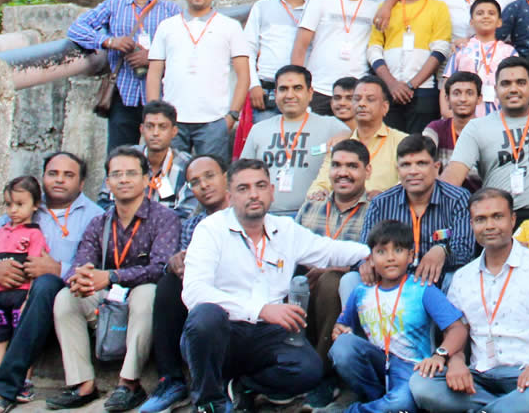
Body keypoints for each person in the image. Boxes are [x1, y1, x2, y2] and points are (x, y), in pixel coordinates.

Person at [180, 159, 371, 413]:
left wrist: (371, 256)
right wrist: (260, 309)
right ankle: (209, 403)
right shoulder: (211, 230)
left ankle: (243, 386)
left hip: (266, 335)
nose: (254, 194)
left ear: (271, 191)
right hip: (222, 333)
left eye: (260, 186)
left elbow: (330, 251)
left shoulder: (285, 229)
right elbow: (194, 292)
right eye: (243, 188)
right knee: (205, 315)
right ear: (230, 196)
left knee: (308, 370)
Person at [0, 152, 103, 413]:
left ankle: (6, 386)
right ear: (43, 178)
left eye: (68, 175)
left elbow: (100, 269)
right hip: (4, 298)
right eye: (53, 173)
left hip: (50, 306)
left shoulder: (95, 216)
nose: (59, 180)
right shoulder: (20, 209)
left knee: (47, 283)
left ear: (81, 184)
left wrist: (59, 269)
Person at [407, 188, 529, 413]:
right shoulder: (463, 277)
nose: (489, 226)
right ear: (472, 225)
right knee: (421, 383)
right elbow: (456, 335)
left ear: (512, 220)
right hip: (477, 379)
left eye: (497, 217)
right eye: (480, 219)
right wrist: (454, 363)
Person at [48, 146, 180, 412]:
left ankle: (129, 384)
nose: (123, 180)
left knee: (146, 294)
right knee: (66, 297)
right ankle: (82, 383)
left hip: (140, 295)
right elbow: (80, 262)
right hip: (109, 295)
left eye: (131, 173)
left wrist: (109, 276)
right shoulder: (99, 222)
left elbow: (160, 267)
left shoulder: (164, 218)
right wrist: (80, 277)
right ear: (107, 182)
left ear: (146, 180)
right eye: (116, 174)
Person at [329, 220, 467, 413]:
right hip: (377, 362)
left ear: (411, 255)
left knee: (402, 403)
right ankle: (380, 402)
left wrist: (440, 355)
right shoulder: (361, 292)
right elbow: (342, 327)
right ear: (371, 258)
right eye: (381, 252)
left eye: (398, 250)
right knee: (342, 346)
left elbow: (457, 329)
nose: (390, 258)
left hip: (412, 368)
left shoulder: (422, 289)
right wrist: (339, 331)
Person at [142, 155, 232, 413]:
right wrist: (177, 262)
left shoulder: (244, 212)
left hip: (238, 292)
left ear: (225, 176)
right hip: (201, 293)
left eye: (210, 176)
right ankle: (171, 380)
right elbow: (184, 260)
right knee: (169, 282)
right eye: (195, 181)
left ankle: (227, 384)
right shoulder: (193, 222)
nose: (204, 185)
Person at [443, 57, 529, 223]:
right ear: (496, 90)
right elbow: (453, 175)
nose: (513, 89)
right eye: (506, 83)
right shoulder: (477, 127)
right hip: (500, 220)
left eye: (521, 82)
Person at [67, 0, 181, 151]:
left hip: (161, 96)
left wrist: (152, 58)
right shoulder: (114, 5)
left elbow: (184, 49)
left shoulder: (171, 10)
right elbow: (76, 29)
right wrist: (108, 41)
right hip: (123, 93)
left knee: (160, 154)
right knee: (119, 154)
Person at [294, 140, 373, 406]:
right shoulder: (311, 206)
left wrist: (335, 267)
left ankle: (323, 374)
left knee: (331, 282)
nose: (343, 172)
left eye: (352, 166)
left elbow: (375, 258)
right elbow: (288, 248)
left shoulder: (375, 207)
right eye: (337, 165)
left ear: (367, 171)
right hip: (304, 285)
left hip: (350, 288)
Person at [146, 0, 249, 162]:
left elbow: (244, 74)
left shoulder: (230, 26)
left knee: (211, 180)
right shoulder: (167, 26)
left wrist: (232, 116)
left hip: (214, 120)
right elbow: (154, 72)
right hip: (171, 119)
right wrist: (155, 114)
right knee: (168, 177)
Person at [357, 135, 475, 292]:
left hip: (439, 282)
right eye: (406, 165)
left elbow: (465, 251)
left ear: (436, 167)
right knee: (350, 279)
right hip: (392, 283)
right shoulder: (381, 203)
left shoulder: (458, 199)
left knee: (457, 277)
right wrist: (364, 263)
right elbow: (364, 250)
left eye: (421, 163)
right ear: (398, 170)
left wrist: (443, 251)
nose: (413, 171)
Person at [239, 65, 350, 216]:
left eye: (297, 88)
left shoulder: (332, 126)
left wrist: (347, 136)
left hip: (315, 216)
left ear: (310, 93)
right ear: (276, 93)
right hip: (267, 216)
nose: (290, 95)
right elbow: (242, 174)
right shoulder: (258, 129)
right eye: (283, 89)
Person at [366, 0, 453, 134]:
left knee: (419, 148)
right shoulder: (385, 9)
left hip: (423, 90)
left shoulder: (438, 8)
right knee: (387, 145)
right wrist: (392, 84)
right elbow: (374, 49)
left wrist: (411, 84)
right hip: (388, 89)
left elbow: (441, 50)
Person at [0, 177, 50, 403]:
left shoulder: (35, 234)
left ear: (35, 205)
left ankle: (23, 382)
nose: (13, 210)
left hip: (21, 294)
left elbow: (35, 266)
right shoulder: (2, 231)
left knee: (21, 337)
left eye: (19, 204)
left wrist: (29, 298)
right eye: (9, 205)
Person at [292, 0, 380, 116]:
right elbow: (301, 45)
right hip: (318, 87)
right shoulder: (321, 0)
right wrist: (299, 84)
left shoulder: (374, 8)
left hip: (356, 90)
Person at [307, 76, 408, 198]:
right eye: (357, 99)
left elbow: (409, 185)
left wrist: (384, 197)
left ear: (385, 107)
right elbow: (321, 183)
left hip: (384, 213)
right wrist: (318, 193)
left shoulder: (401, 142)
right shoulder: (340, 143)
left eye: (370, 99)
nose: (362, 104)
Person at [243, 0, 313, 122]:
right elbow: (247, 50)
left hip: (304, 91)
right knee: (268, 143)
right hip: (267, 90)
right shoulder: (263, 7)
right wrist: (253, 85)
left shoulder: (316, 9)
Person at [98, 100, 194, 216]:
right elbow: (104, 202)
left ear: (174, 131)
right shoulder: (122, 159)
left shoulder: (186, 166)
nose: (155, 133)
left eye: (162, 127)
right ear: (142, 129)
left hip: (167, 232)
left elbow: (185, 213)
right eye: (150, 126)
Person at [443, 0, 516, 117]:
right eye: (480, 13)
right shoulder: (462, 49)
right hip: (465, 116)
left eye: (491, 13)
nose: (485, 16)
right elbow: (447, 82)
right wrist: (446, 111)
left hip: (500, 115)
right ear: (471, 21)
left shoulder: (509, 52)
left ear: (499, 22)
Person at [425, 73, 484, 189]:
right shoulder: (436, 128)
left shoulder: (487, 130)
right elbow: (421, 153)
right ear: (447, 99)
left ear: (479, 99)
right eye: (456, 93)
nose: (463, 99)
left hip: (481, 199)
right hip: (445, 198)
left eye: (469, 93)